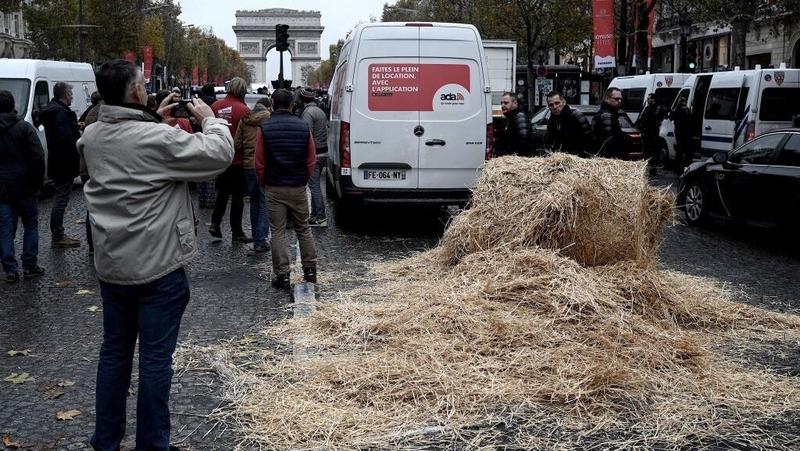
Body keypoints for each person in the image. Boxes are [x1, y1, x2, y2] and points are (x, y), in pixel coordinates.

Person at [77, 59, 233, 451]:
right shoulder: (159, 141)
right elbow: (217, 155)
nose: (146, 90)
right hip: (159, 269)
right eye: (143, 85)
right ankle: (152, 445)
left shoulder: (92, 136)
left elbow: (129, 149)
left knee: (114, 355)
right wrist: (210, 119)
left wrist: (152, 120)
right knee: (155, 361)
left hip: (113, 267)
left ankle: (107, 441)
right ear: (134, 93)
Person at [255, 88, 318, 289]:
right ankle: (310, 271)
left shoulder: (264, 127)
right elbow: (311, 160)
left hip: (274, 186)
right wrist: (303, 180)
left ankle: (282, 275)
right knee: (304, 229)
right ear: (292, 105)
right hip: (298, 186)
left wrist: (263, 182)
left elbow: (260, 162)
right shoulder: (302, 127)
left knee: (278, 232)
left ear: (272, 104)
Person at [0, 90, 46, 284]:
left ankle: (10, 269)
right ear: (13, 106)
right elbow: (37, 156)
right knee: (30, 224)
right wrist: (38, 181)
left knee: (4, 229)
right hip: (25, 186)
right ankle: (29, 265)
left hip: (2, 188)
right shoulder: (24, 128)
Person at [38, 81, 82, 248]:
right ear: (65, 95)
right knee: (61, 198)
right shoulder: (61, 113)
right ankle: (58, 235)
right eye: (70, 94)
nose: (71, 97)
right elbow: (66, 139)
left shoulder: (52, 111)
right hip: (64, 162)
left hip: (57, 160)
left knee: (60, 197)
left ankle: (58, 233)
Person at [209, 77, 251, 242]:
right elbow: (247, 138)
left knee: (222, 193)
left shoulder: (215, 107)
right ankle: (237, 231)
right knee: (238, 197)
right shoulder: (244, 110)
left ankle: (215, 223)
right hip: (237, 159)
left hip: (219, 156)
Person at [235, 96, 272, 253]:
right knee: (265, 203)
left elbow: (237, 143)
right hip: (263, 165)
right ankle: (260, 239)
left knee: (254, 201)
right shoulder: (269, 119)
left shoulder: (245, 119)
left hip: (248, 166)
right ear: (267, 107)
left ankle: (256, 236)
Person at [299, 87, 329, 227]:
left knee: (314, 186)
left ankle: (321, 217)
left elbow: (306, 135)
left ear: (303, 99)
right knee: (314, 185)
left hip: (314, 153)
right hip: (323, 151)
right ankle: (314, 215)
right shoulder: (320, 111)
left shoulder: (307, 113)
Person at [544, 91, 593, 157]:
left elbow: (590, 139)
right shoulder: (552, 121)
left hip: (577, 159)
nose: (555, 107)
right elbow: (549, 141)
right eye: (551, 105)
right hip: (559, 159)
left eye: (557, 103)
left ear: (564, 102)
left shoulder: (575, 116)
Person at [635, 93, 668, 174]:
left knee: (655, 151)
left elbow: (664, 119)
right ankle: (648, 166)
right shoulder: (647, 108)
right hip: (647, 133)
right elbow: (642, 119)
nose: (647, 100)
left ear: (653, 99)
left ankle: (653, 168)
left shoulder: (660, 108)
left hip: (656, 134)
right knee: (647, 151)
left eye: (649, 98)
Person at [495, 91, 532, 157]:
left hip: (515, 161)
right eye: (501, 103)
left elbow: (524, 140)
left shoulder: (520, 117)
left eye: (506, 103)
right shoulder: (509, 118)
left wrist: (513, 156)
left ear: (514, 103)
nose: (502, 106)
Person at [592, 87, 627, 159]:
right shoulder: (606, 115)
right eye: (616, 99)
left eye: (621, 99)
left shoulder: (610, 114)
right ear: (607, 99)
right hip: (608, 157)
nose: (619, 101)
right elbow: (610, 139)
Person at [670, 96, 693, 173]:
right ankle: (686, 167)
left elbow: (670, 117)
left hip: (678, 131)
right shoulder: (686, 109)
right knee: (687, 150)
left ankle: (677, 168)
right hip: (686, 132)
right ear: (684, 102)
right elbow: (690, 119)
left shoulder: (676, 109)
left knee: (679, 151)